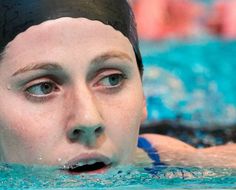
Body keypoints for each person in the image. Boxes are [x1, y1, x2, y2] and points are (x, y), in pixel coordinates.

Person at [0, 0, 235, 174]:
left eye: (112, 79)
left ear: (143, 95)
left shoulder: (166, 159)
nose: (89, 120)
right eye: (42, 88)